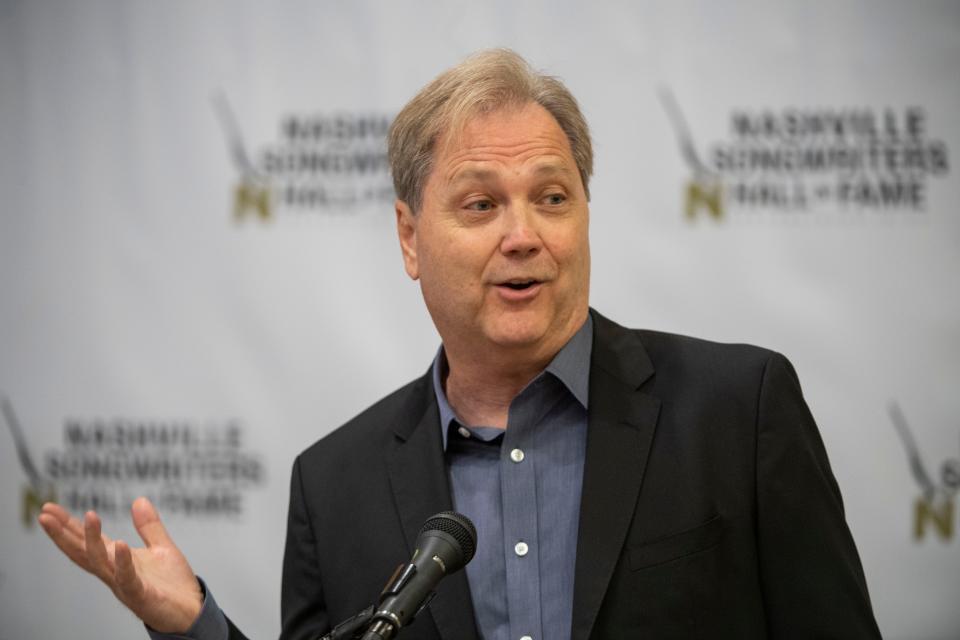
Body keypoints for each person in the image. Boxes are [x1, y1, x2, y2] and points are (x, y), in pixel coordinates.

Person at [39, 49, 882, 640]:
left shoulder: (738, 408)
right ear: (409, 238)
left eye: (552, 197)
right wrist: (195, 628)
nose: (524, 235)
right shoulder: (335, 485)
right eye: (480, 205)